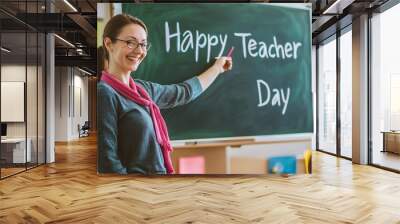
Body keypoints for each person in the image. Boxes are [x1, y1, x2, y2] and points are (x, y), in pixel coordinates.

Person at [97, 14, 232, 175]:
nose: (139, 51)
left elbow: (184, 92)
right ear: (108, 43)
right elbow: (107, 161)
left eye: (143, 44)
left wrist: (217, 68)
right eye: (130, 42)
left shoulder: (142, 90)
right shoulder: (105, 93)